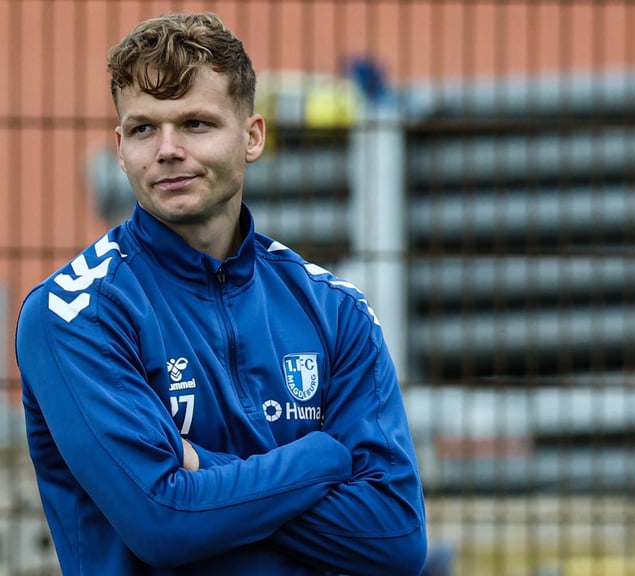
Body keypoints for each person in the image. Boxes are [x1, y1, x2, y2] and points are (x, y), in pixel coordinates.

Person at [15, 12, 427, 575]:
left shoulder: (334, 310)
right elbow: (164, 521)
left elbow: (395, 539)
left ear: (252, 136)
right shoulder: (74, 314)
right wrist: (323, 457)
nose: (166, 149)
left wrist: (201, 469)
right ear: (119, 147)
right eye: (143, 129)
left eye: (195, 124)